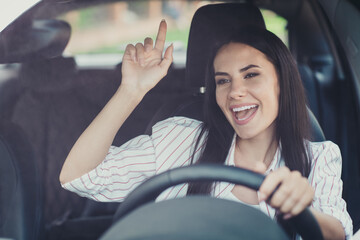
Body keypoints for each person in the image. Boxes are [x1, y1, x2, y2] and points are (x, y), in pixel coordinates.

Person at [59, 20, 352, 239]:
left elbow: (339, 234)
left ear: (281, 82)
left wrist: (301, 210)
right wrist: (130, 90)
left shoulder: (317, 158)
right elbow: (79, 177)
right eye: (223, 80)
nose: (235, 91)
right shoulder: (180, 139)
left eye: (251, 75)